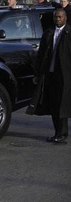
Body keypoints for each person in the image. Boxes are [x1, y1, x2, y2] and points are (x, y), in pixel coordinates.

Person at [26, 9, 71, 144]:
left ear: (65, 18)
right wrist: (37, 74)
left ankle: (62, 133)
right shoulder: (49, 33)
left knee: (62, 105)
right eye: (56, 17)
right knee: (53, 105)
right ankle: (57, 132)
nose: (58, 19)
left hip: (64, 75)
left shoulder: (69, 33)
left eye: (60, 17)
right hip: (49, 74)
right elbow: (41, 55)